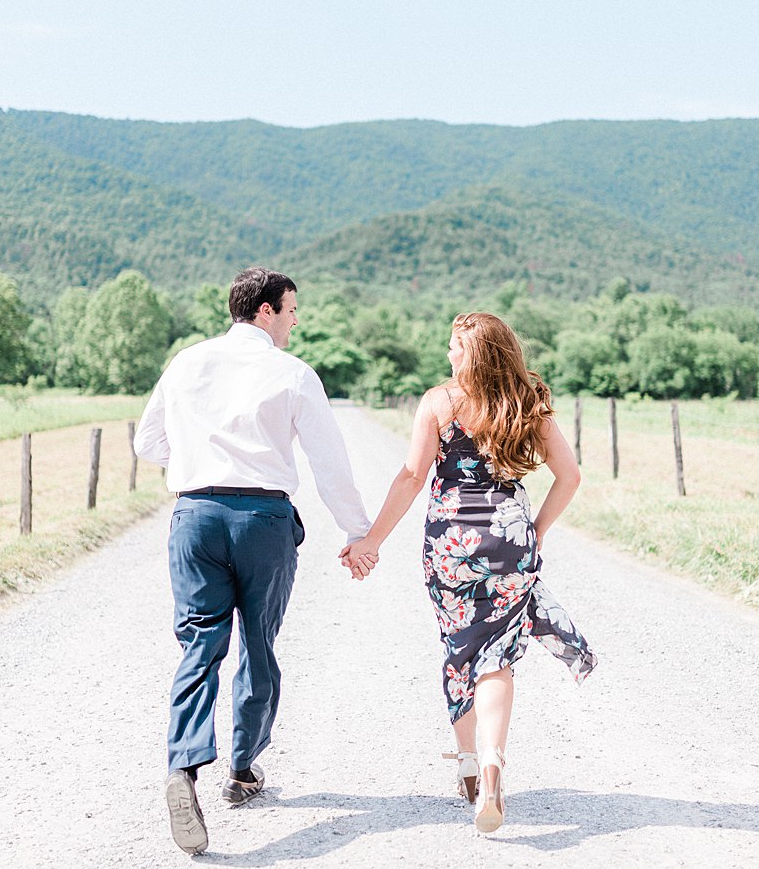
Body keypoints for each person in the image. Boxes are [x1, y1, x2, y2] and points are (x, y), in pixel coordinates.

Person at [133, 267, 373, 856]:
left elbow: (147, 444)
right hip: (263, 521)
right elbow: (328, 462)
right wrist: (358, 532)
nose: (295, 319)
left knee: (199, 645)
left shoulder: (187, 362)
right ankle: (241, 769)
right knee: (258, 643)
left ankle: (183, 766)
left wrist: (196, 463)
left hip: (195, 516)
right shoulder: (292, 373)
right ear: (265, 310)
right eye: (291, 309)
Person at [340, 312, 597, 834]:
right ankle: (491, 763)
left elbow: (414, 476)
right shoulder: (527, 404)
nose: (449, 355)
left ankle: (467, 766)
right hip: (510, 542)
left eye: (455, 347)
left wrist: (371, 541)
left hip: (451, 545)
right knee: (497, 657)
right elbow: (569, 476)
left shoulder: (439, 402)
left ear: (473, 353)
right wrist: (537, 531)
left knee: (461, 652)